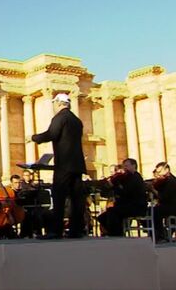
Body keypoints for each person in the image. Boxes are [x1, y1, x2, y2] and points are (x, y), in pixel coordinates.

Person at [29, 93, 86, 239]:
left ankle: (55, 231)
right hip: (77, 164)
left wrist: (34, 138)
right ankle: (77, 230)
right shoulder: (77, 120)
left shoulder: (60, 117)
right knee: (76, 198)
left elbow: (52, 134)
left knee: (59, 196)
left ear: (59, 103)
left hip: (64, 164)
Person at [97, 158, 147, 236]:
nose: (124, 168)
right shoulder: (127, 178)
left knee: (112, 212)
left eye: (126, 166)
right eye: (124, 166)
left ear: (134, 166)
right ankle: (116, 232)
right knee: (102, 217)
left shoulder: (136, 178)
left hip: (136, 206)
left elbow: (127, 192)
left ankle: (116, 234)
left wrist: (116, 185)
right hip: (127, 205)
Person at [151, 162, 176, 242]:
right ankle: (155, 234)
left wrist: (153, 189)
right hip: (167, 206)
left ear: (167, 170)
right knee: (150, 210)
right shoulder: (164, 181)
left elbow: (163, 197)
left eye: (160, 172)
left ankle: (160, 236)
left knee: (156, 211)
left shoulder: (171, 181)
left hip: (172, 207)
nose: (158, 174)